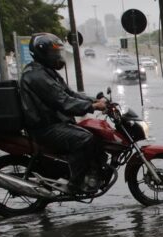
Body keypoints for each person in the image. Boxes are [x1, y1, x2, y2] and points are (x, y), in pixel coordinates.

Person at [18, 33, 107, 193]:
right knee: (85, 138)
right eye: (53, 53)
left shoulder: (46, 72)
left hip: (53, 123)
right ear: (41, 53)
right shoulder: (36, 75)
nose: (57, 56)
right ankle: (76, 183)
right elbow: (63, 102)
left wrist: (95, 100)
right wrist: (92, 107)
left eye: (58, 52)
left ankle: (92, 173)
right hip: (45, 128)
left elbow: (70, 94)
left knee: (95, 134)